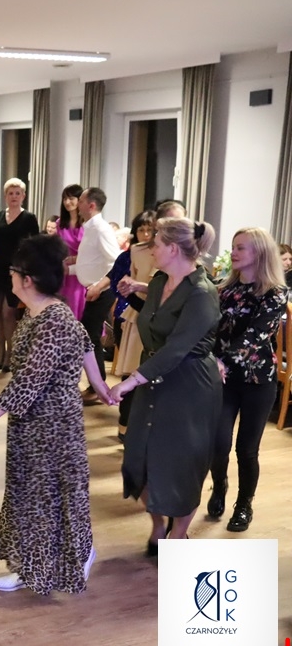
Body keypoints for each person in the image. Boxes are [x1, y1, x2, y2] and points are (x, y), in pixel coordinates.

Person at [0, 235, 108, 594]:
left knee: (48, 498)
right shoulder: (40, 312)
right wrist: (100, 386)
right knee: (29, 496)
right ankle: (29, 565)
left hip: (53, 426)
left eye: (13, 270)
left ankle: (68, 558)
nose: (9, 275)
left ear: (27, 279)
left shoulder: (53, 318)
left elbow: (29, 381)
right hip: (31, 423)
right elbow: (84, 341)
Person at [109, 218, 221, 554]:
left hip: (188, 386)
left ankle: (177, 536)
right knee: (139, 458)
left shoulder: (202, 293)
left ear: (172, 249)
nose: (151, 249)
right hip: (154, 378)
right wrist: (135, 292)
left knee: (181, 464)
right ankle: (158, 525)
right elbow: (157, 320)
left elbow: (177, 348)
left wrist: (130, 381)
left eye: (155, 244)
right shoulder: (158, 281)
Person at [207, 228, 287, 532]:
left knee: (247, 449)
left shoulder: (274, 293)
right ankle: (219, 486)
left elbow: (255, 335)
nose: (234, 252)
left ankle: (244, 505)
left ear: (260, 253)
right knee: (218, 443)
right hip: (224, 379)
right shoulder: (224, 289)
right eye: (234, 247)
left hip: (257, 380)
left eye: (241, 248)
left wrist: (221, 360)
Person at [69, 188, 121, 405]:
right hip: (94, 289)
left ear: (91, 205)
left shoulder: (100, 229)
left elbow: (117, 262)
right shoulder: (91, 228)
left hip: (102, 291)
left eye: (80, 200)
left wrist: (99, 286)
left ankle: (97, 386)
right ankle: (95, 385)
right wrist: (70, 267)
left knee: (90, 337)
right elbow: (92, 263)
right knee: (89, 337)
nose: (77, 204)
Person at [108, 211, 156, 440]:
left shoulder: (169, 254)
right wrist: (129, 291)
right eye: (141, 230)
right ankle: (125, 426)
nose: (146, 234)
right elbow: (118, 280)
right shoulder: (134, 252)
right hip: (135, 313)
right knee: (130, 373)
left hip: (155, 315)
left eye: (150, 230)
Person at [0, 178, 39, 370]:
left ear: (23, 196)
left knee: (9, 311)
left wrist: (26, 268)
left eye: (17, 193)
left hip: (16, 269)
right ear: (5, 196)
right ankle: (0, 354)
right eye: (10, 193)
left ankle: (11, 355)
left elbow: (34, 245)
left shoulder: (29, 218)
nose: (14, 196)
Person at [54, 184, 87, 320]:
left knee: (80, 306)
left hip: (82, 269)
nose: (67, 202)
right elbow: (57, 247)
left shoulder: (87, 223)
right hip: (65, 269)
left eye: (71, 198)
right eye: (65, 199)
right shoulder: (60, 223)